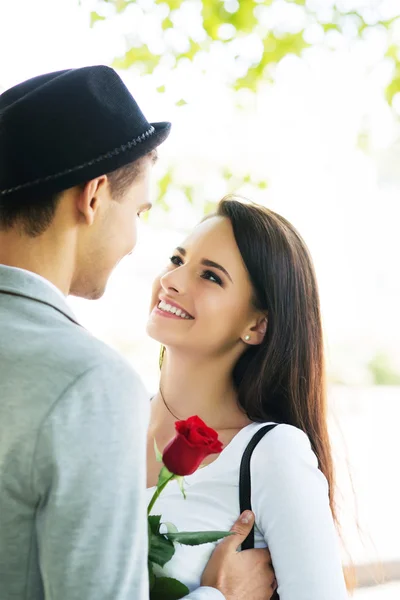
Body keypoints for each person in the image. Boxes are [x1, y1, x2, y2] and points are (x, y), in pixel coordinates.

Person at [0, 67, 276, 600]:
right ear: (94, 195)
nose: (134, 242)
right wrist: (217, 596)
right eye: (138, 211)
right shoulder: (87, 383)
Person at [146, 197, 350, 599]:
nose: (172, 280)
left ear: (256, 325)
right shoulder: (103, 420)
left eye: (210, 276)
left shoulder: (271, 454)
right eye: (176, 259)